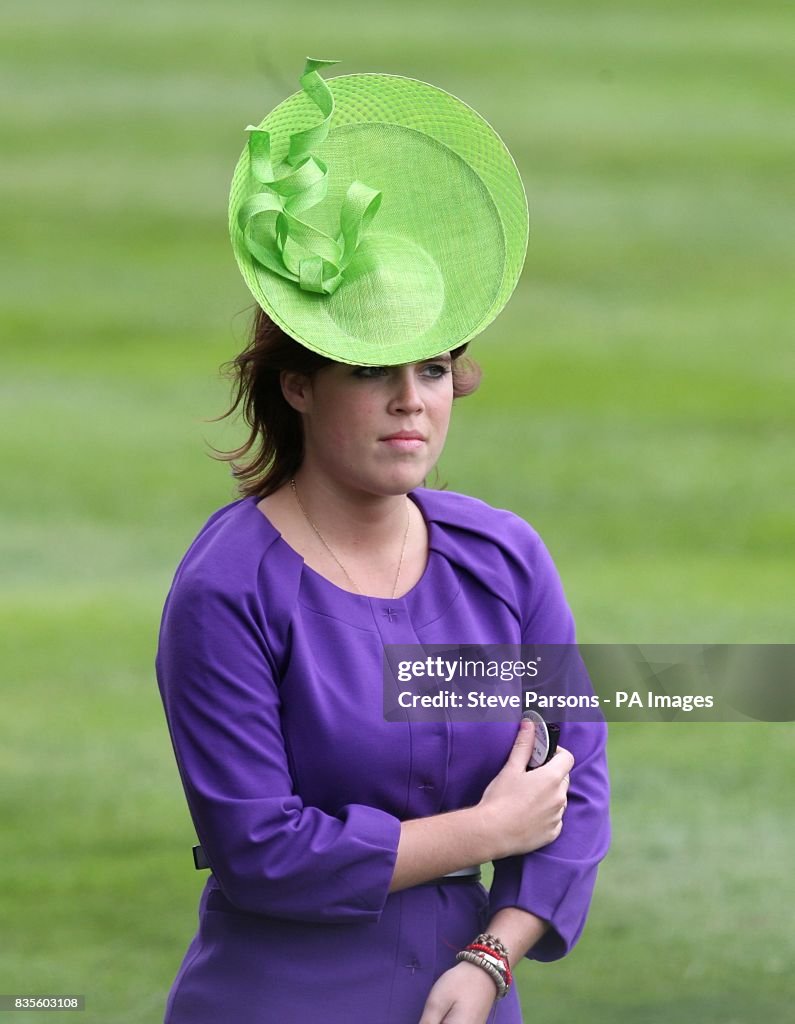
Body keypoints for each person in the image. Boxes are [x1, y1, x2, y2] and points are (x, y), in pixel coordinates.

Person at [156, 58, 610, 1024]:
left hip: (469, 996)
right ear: (298, 385)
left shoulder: (506, 557)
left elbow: (580, 778)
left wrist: (491, 955)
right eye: (373, 371)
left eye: (435, 369)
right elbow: (262, 851)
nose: (412, 399)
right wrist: (485, 829)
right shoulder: (227, 588)